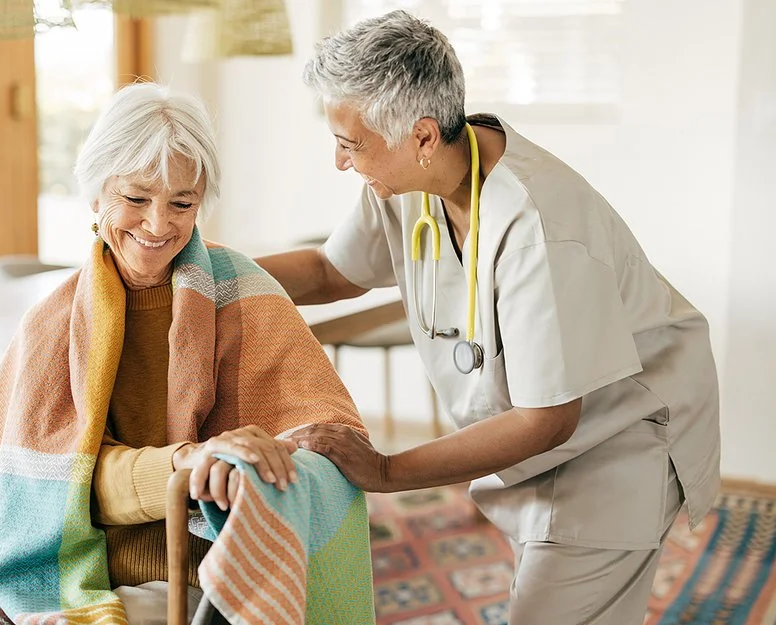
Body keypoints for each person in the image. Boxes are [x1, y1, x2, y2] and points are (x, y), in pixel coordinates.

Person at [257, 10, 721, 624]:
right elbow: (328, 272)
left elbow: (548, 419)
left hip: (617, 446)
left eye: (350, 144)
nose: (341, 162)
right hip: (534, 440)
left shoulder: (539, 228)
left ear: (422, 137)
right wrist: (206, 270)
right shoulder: (415, 178)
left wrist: (387, 471)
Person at [0, 83, 368, 625]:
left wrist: (254, 459)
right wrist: (183, 463)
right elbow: (53, 490)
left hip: (213, 563)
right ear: (95, 195)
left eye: (183, 203)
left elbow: (331, 437)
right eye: (135, 199)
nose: (158, 225)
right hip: (74, 566)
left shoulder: (246, 292)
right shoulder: (50, 324)